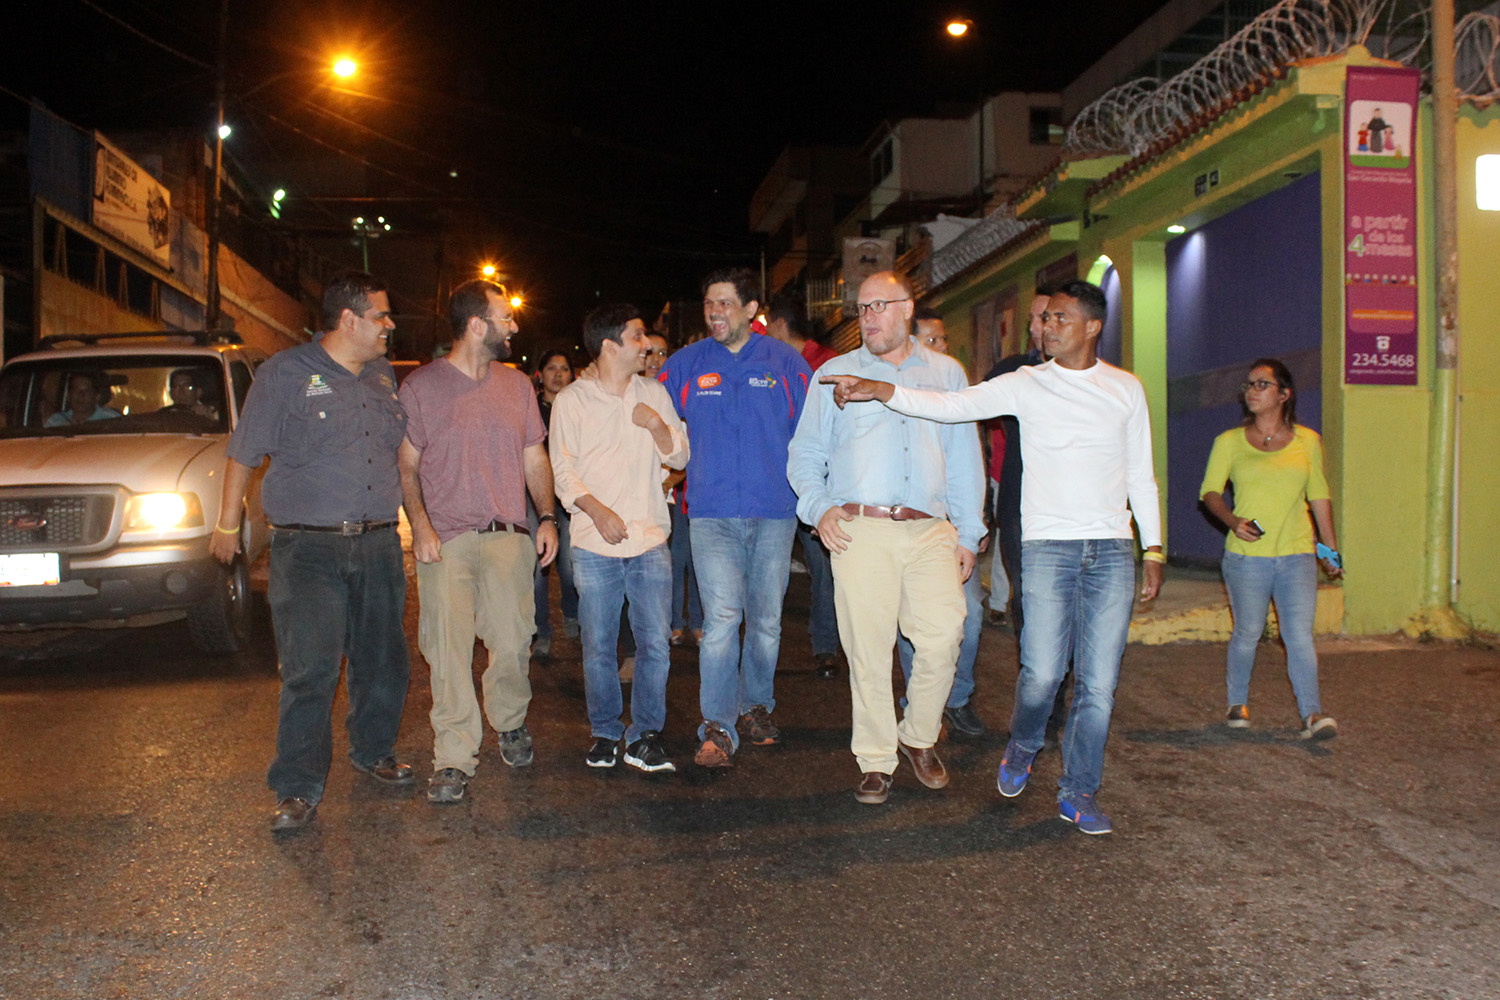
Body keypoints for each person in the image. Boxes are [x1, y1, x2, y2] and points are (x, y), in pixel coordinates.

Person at [820, 279, 1163, 835]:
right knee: (1042, 675)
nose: (1044, 327)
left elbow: (1140, 475)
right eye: (1043, 318)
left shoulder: (1125, 389)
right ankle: (1022, 746)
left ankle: (1078, 791)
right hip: (1048, 546)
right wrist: (884, 391)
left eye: (1058, 318)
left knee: (1097, 684)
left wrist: (1153, 546)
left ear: (1093, 326)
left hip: (1110, 549)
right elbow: (952, 408)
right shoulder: (1026, 384)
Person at [209, 271, 413, 833]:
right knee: (311, 670)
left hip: (376, 543)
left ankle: (372, 750)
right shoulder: (284, 375)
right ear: (348, 319)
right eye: (382, 316)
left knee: (382, 661)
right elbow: (243, 453)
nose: (389, 325)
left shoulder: (381, 377)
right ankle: (297, 786)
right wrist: (227, 525)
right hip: (308, 549)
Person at [789, 271, 983, 804]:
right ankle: (875, 760)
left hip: (929, 529)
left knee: (945, 635)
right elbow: (805, 454)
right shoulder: (834, 374)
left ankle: (917, 735)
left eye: (879, 306)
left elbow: (965, 458)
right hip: (861, 527)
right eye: (862, 308)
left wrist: (969, 532)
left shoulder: (946, 373)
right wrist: (820, 508)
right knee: (868, 652)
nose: (868, 317)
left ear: (907, 309)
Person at [397, 280, 560, 805]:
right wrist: (419, 523)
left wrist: (549, 517)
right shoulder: (421, 387)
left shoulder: (516, 387)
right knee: (446, 649)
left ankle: (508, 720)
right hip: (445, 539)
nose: (514, 326)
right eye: (504, 318)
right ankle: (453, 755)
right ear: (476, 325)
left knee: (514, 641)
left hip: (509, 533)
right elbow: (407, 462)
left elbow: (534, 456)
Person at [659, 268, 811, 768]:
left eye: (725, 303)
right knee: (723, 620)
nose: (715, 312)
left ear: (751, 310)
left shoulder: (787, 364)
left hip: (774, 511)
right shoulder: (684, 366)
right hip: (710, 513)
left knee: (766, 621)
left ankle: (756, 706)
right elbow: (648, 418)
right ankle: (717, 726)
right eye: (709, 303)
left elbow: (812, 435)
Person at [551, 303, 689, 773]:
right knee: (599, 644)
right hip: (595, 544)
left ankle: (645, 734)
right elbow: (563, 473)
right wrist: (596, 509)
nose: (646, 345)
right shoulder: (572, 401)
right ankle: (607, 732)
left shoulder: (654, 394)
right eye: (636, 336)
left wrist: (656, 425)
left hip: (650, 538)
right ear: (609, 345)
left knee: (654, 643)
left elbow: (682, 455)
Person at [1199, 358, 1342, 740]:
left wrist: (1330, 552)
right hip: (1246, 560)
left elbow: (1320, 496)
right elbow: (1210, 492)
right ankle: (1237, 702)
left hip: (1296, 555)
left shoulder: (1308, 442)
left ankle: (1312, 714)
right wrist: (1232, 521)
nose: (1252, 391)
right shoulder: (1228, 442)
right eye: (1249, 385)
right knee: (1248, 632)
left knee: (1298, 636)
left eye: (1262, 384)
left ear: (1284, 394)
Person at [895, 307, 987, 737]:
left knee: (968, 617)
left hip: (953, 526)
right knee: (915, 623)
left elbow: (969, 458)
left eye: (943, 340)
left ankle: (958, 698)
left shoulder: (952, 380)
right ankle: (920, 703)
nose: (942, 348)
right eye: (932, 340)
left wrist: (973, 525)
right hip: (913, 526)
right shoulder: (900, 391)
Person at [767, 291, 840, 677]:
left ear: (779, 324)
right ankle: (760, 647)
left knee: (822, 565)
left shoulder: (827, 365)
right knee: (767, 568)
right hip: (777, 481)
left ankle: (825, 646)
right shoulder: (771, 366)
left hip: (815, 481)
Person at [530, 348, 579, 658]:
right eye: (551, 368)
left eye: (564, 368)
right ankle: (541, 630)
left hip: (570, 496)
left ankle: (572, 612)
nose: (558, 374)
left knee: (571, 566)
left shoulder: (578, 406)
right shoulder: (530, 408)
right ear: (540, 374)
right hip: (536, 498)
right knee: (537, 568)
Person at [46, 371, 120, 426]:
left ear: (97, 397)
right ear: (68, 395)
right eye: (76, 390)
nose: (80, 395)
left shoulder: (112, 419)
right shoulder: (56, 420)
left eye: (86, 391)